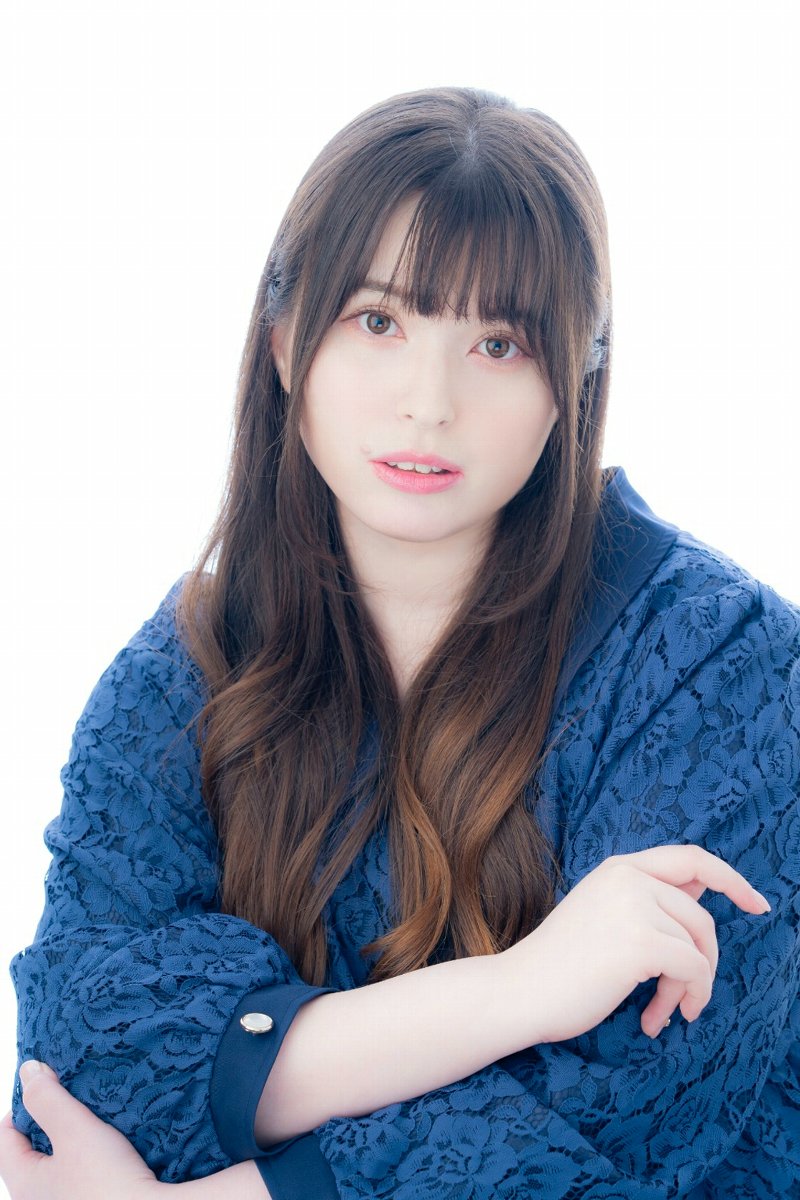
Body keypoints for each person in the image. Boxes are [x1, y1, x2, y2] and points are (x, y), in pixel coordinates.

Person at [1, 85, 798, 1200]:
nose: (428, 403)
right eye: (379, 323)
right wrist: (523, 991)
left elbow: (626, 1130)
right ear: (286, 344)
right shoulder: (192, 664)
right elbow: (84, 1055)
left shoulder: (722, 667)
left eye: (497, 343)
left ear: (574, 378)